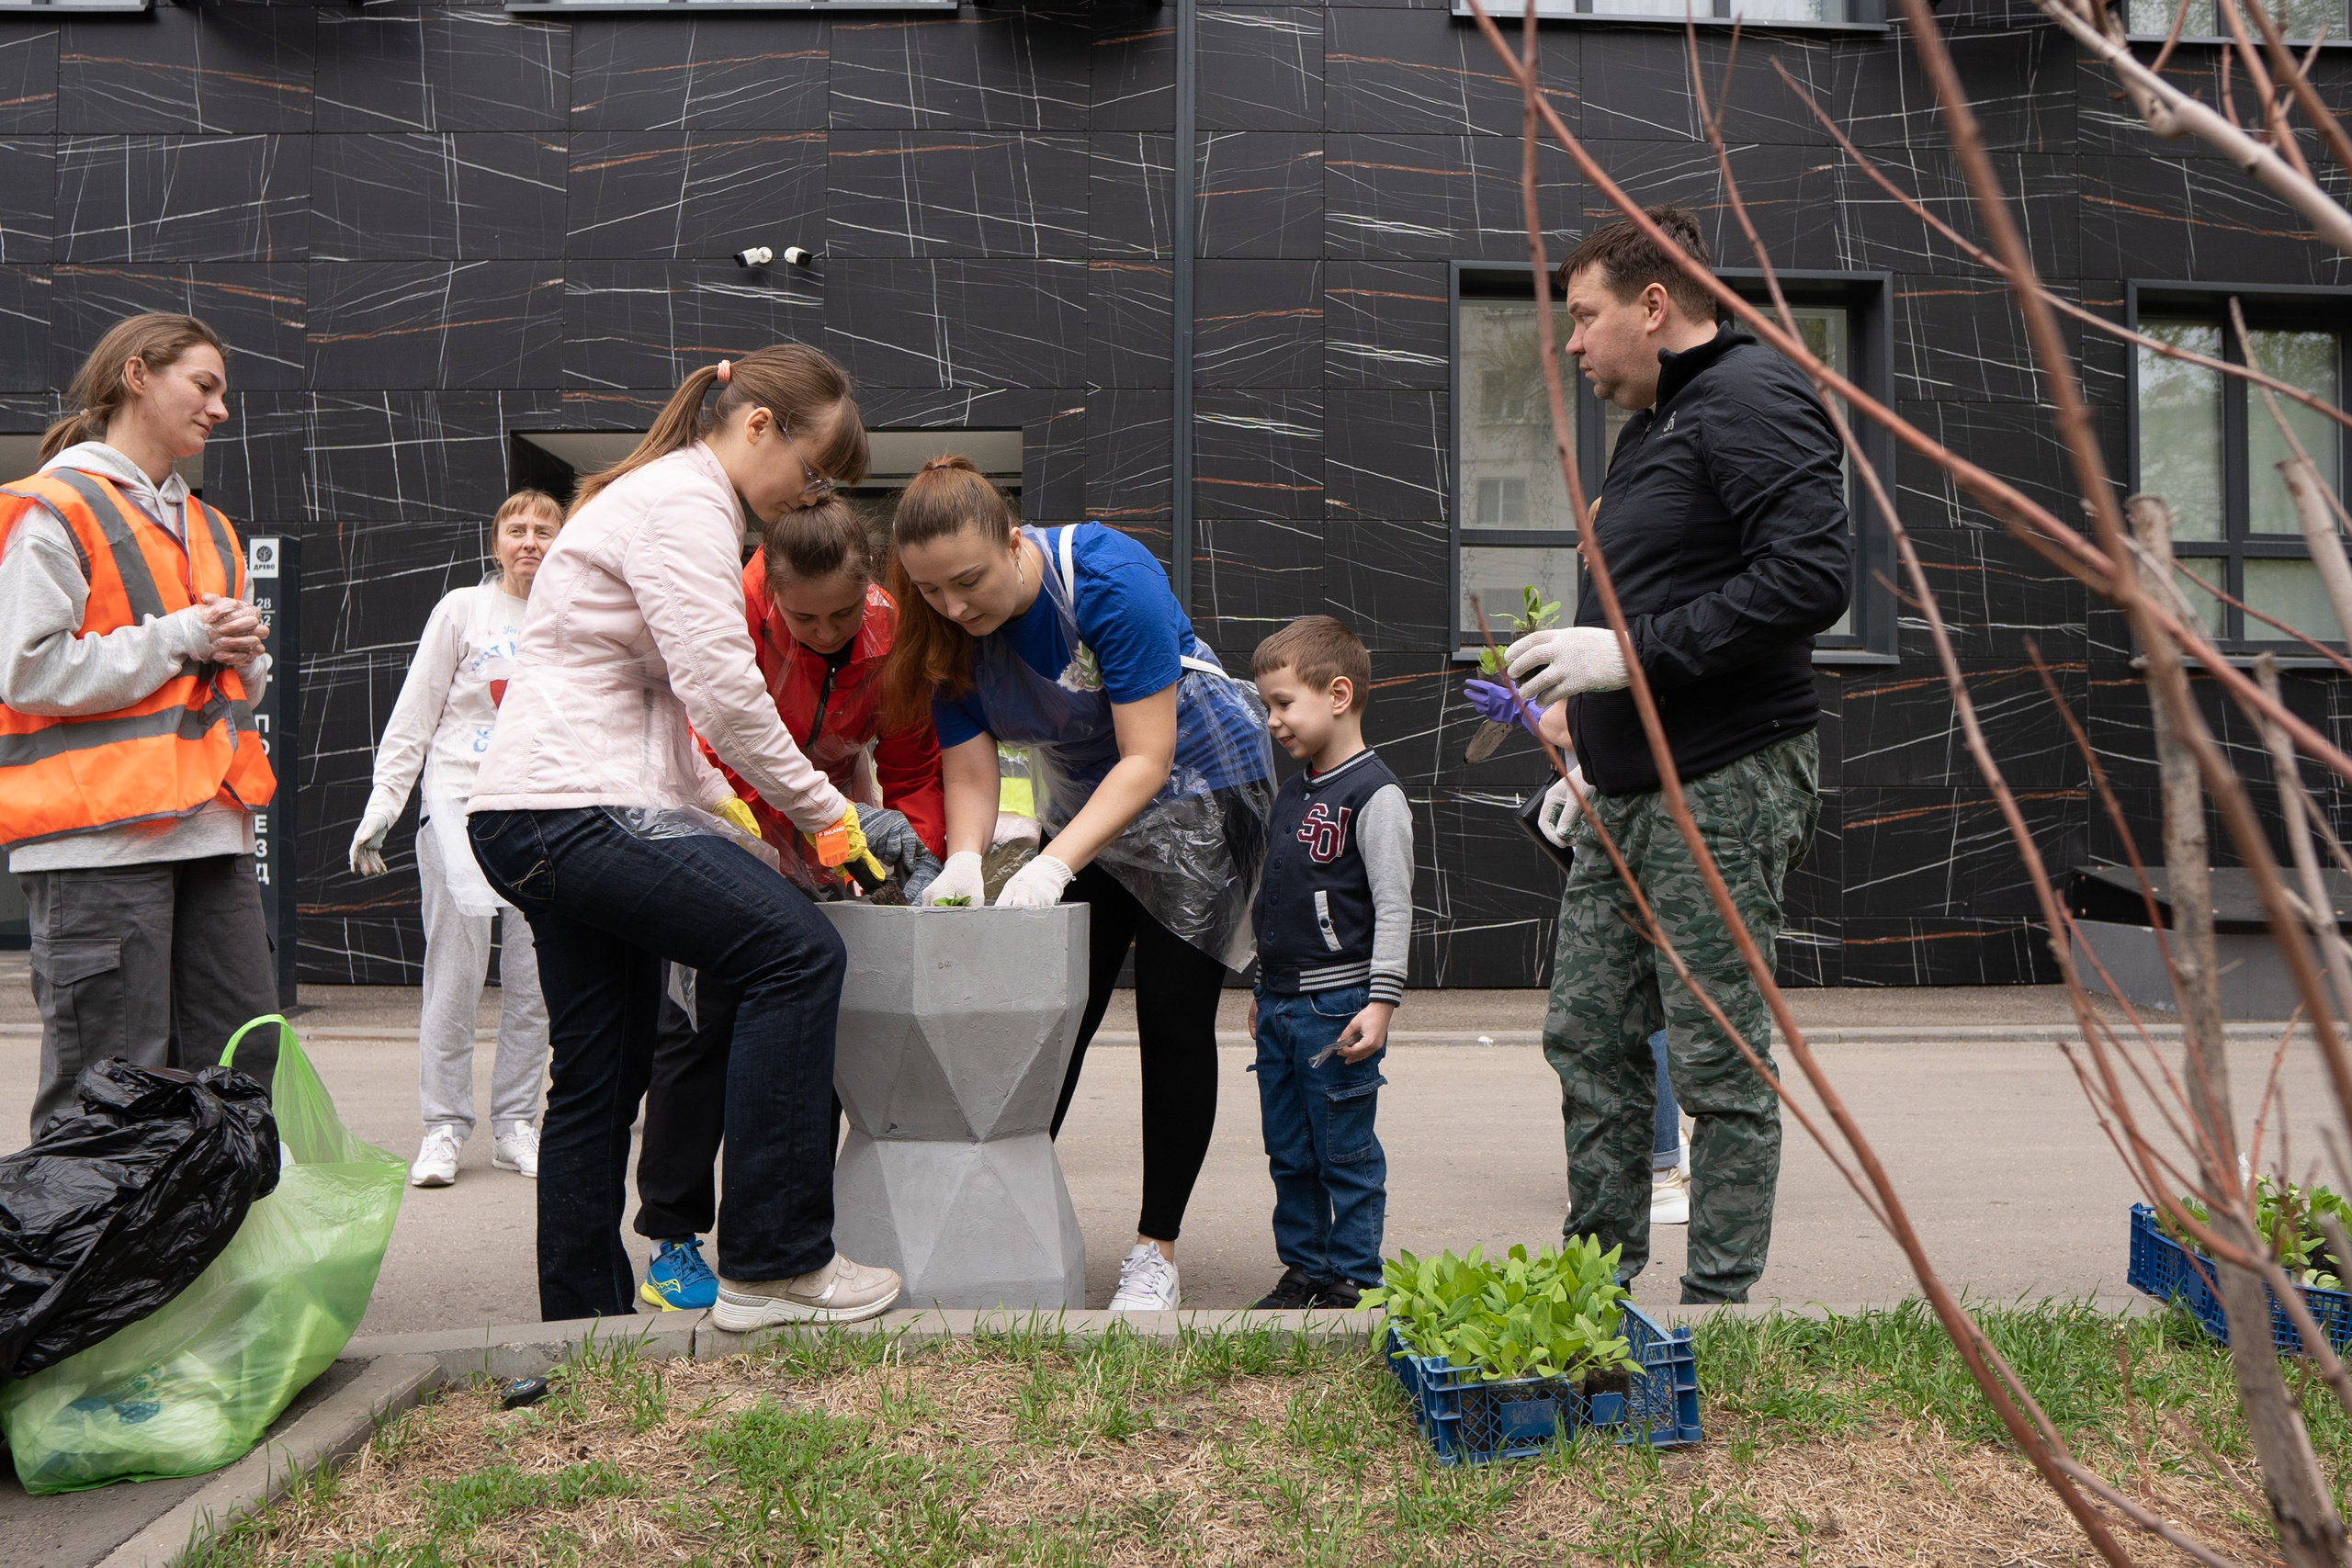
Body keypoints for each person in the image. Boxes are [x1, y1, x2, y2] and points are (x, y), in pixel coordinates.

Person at [466, 346, 903, 1327]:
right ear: (759, 427)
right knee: (795, 955)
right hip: (580, 810)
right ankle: (775, 1263)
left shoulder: (655, 495)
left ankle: (584, 1324)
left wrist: (745, 822)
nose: (809, 494)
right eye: (813, 468)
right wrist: (826, 813)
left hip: (538, 811)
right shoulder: (686, 502)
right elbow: (723, 691)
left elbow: (666, 712)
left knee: (602, 1073)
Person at [1507, 207, 1847, 1303]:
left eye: (1584, 317)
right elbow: (1660, 592)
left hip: (1725, 780)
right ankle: (1591, 1294)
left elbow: (1809, 579)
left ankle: (1717, 1315)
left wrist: (1630, 656)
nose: (1572, 344)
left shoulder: (1753, 395)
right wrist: (1581, 726)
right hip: (1627, 788)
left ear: (1654, 307)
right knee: (1589, 1037)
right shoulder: (1655, 422)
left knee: (1713, 1053)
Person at [882, 457, 1274, 1312]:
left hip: (1199, 786)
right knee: (1055, 1014)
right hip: (1092, 798)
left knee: (1171, 1016)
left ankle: (1155, 1250)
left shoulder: (1107, 578)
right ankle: (1005, 1212)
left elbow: (1147, 757)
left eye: (969, 581)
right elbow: (972, 771)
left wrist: (1057, 863)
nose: (952, 607)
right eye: (930, 590)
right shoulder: (942, 622)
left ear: (1012, 542)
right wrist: (964, 858)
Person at [634, 495, 946, 1313]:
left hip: (830, 845)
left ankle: (785, 1236)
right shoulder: (729, 609)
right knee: (698, 1032)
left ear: (869, 586)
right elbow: (708, 748)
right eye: (803, 617)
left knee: (805, 1038)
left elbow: (913, 766)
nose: (827, 632)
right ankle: (672, 1239)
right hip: (720, 830)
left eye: (845, 611)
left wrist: (909, 848)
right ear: (770, 592)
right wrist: (814, 826)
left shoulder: (891, 634)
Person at [1, 312, 278, 1140]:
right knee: (112, 1097)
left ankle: (209, 1268)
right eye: (204, 385)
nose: (220, 409)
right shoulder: (52, 506)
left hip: (210, 832)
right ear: (136, 375)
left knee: (238, 1071)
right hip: (97, 840)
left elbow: (230, 694)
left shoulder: (212, 527)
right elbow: (29, 671)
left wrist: (242, 655)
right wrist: (185, 635)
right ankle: (87, 1274)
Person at [349, 490, 565, 1188]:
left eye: (544, 529)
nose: (530, 540)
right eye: (517, 529)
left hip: (543, 813)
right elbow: (414, 714)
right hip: (456, 808)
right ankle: (443, 1126)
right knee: (455, 976)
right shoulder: (460, 610)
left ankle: (514, 1125)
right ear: (495, 540)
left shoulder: (572, 617)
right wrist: (383, 805)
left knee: (536, 981)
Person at [1464, 674, 1690, 1226]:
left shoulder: (1623, 628)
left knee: (1629, 1004)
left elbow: (1569, 723)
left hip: (1629, 835)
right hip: (1652, 830)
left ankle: (1658, 1172)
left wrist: (1527, 708)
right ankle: (1662, 1156)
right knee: (1645, 998)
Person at [1245, 617, 1411, 1311]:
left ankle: (1354, 1276)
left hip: (1338, 1007)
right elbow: (1276, 893)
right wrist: (1261, 984)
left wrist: (1381, 1003)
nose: (1274, 720)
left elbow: (1395, 906)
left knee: (1345, 1150)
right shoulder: (1292, 792)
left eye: (1283, 703)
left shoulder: (1375, 795)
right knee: (1290, 1149)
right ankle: (1305, 1268)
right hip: (1282, 1005)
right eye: (1268, 706)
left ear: (1338, 693)